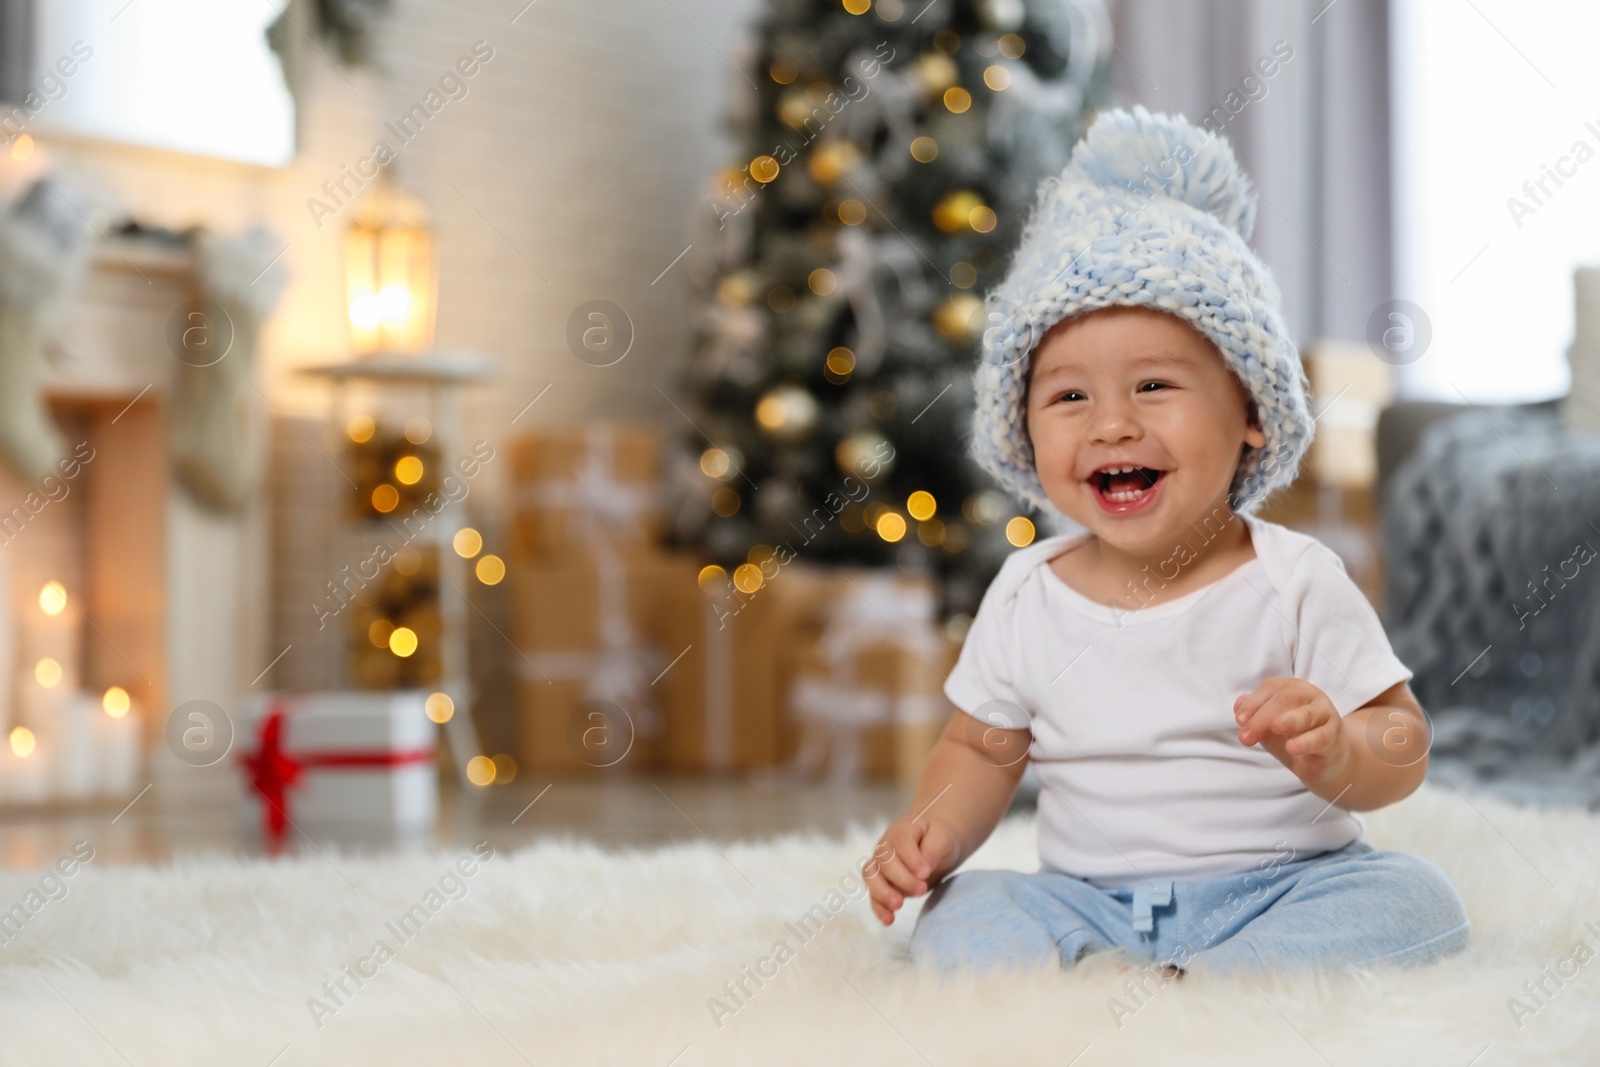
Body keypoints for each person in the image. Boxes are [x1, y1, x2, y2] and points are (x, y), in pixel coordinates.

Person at [862, 106, 1471, 979]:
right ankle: (1094, 972)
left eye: (1154, 385)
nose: (1111, 424)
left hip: (1282, 887)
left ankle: (1223, 975)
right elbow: (979, 748)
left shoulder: (1294, 579)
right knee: (966, 915)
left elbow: (1402, 740)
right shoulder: (1028, 591)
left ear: (1254, 414)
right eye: (1069, 398)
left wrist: (1340, 747)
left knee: (1416, 900)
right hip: (1087, 895)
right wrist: (936, 833)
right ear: (1023, 431)